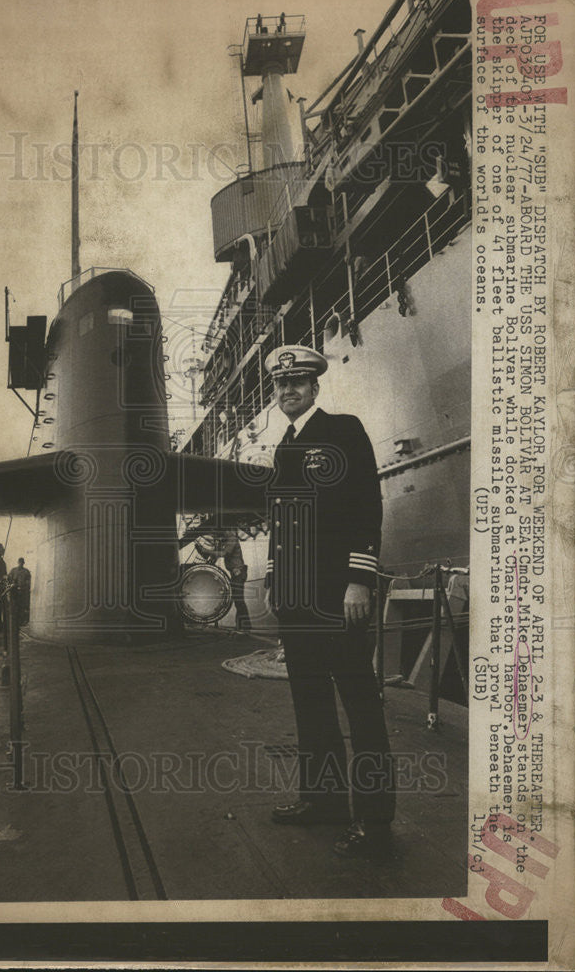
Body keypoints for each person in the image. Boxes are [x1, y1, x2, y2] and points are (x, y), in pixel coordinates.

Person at [263, 344, 395, 858]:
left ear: (315, 386)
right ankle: (323, 801)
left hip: (339, 595)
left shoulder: (343, 430)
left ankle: (375, 821)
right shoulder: (284, 446)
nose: (288, 389)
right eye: (280, 384)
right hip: (298, 601)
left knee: (361, 706)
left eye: (297, 381)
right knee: (310, 702)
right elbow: (282, 524)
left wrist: (360, 579)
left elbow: (367, 504)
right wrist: (275, 580)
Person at [195, 529, 252, 632]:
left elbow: (224, 553)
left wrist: (206, 551)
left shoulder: (232, 539)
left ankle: (245, 626)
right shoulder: (227, 540)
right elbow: (216, 555)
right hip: (236, 574)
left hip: (239, 573)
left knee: (239, 600)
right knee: (238, 600)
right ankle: (242, 626)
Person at [8, 557, 32, 626]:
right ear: (18, 562)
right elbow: (9, 579)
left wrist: (26, 587)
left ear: (23, 563)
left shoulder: (26, 571)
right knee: (15, 606)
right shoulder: (13, 570)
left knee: (23, 606)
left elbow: (28, 581)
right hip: (15, 591)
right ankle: (16, 621)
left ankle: (21, 621)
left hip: (23, 591)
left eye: (22, 562)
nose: (21, 564)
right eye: (20, 562)